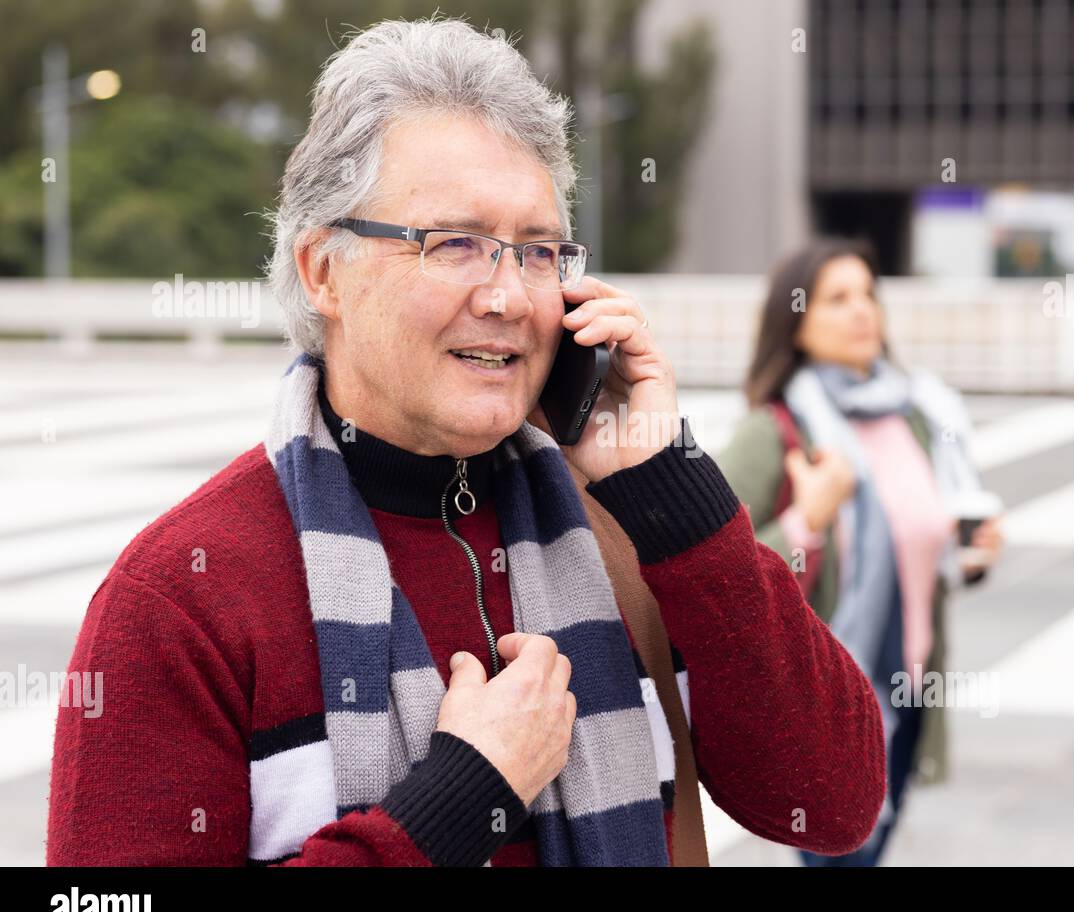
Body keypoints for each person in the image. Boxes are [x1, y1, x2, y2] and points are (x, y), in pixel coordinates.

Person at [44, 18, 888, 867]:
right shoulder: (181, 599)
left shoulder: (628, 529)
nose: (508, 296)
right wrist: (458, 799)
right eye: (454, 243)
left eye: (538, 251)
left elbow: (835, 802)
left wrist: (671, 485)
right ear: (323, 270)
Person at [717, 237, 1004, 867]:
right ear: (794, 322)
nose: (861, 312)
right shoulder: (772, 432)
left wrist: (970, 557)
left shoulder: (916, 416)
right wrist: (807, 516)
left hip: (908, 683)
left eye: (868, 294)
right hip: (824, 696)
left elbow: (926, 543)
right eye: (837, 298)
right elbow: (718, 573)